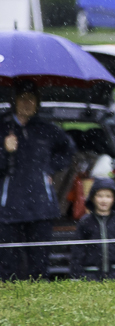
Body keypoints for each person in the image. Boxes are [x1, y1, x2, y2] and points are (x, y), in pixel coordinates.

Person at [0, 79, 74, 280]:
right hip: (9, 209)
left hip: (41, 207)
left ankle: (39, 297)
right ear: (14, 101)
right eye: (22, 99)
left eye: (31, 99)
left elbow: (68, 150)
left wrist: (50, 169)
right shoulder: (3, 127)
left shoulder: (46, 129)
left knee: (40, 262)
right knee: (8, 263)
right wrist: (5, 152)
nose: (27, 103)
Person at [70, 178, 115, 280]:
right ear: (92, 198)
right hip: (91, 275)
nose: (104, 200)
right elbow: (78, 251)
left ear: (114, 199)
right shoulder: (85, 222)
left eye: (108, 196)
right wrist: (76, 274)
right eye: (99, 196)